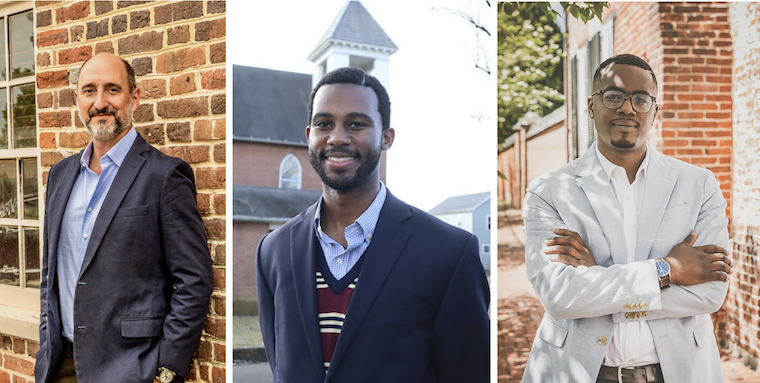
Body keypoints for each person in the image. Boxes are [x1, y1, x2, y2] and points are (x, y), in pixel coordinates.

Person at [256, 67, 490, 382]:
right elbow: (280, 367)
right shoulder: (273, 250)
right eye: (325, 124)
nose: (337, 137)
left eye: (356, 123)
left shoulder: (448, 253)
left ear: (386, 137)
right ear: (309, 135)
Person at [521, 54, 733, 383]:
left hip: (679, 371)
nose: (627, 108)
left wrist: (595, 282)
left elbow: (710, 293)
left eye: (641, 99)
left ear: (655, 110)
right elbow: (559, 297)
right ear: (592, 106)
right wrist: (668, 271)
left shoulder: (700, 184)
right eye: (614, 96)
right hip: (580, 371)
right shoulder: (549, 191)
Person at [35, 52, 214, 383]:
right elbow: (51, 274)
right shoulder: (60, 175)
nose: (100, 102)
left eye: (112, 89)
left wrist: (166, 370)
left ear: (134, 97)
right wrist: (46, 344)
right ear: (77, 99)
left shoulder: (164, 176)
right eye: (89, 90)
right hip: (59, 366)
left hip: (130, 369)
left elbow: (194, 281)